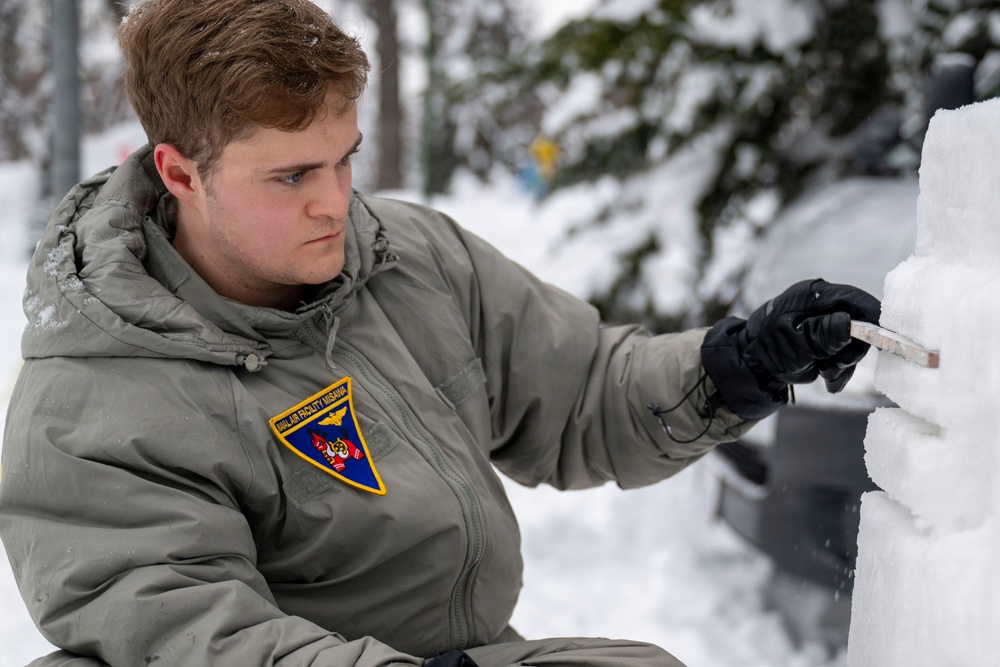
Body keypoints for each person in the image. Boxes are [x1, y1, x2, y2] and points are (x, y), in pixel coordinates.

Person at [0, 1, 880, 665]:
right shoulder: (98, 394)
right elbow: (195, 636)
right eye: (292, 175)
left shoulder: (402, 256)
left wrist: (741, 361)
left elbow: (582, 391)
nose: (334, 202)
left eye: (345, 158)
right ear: (181, 174)